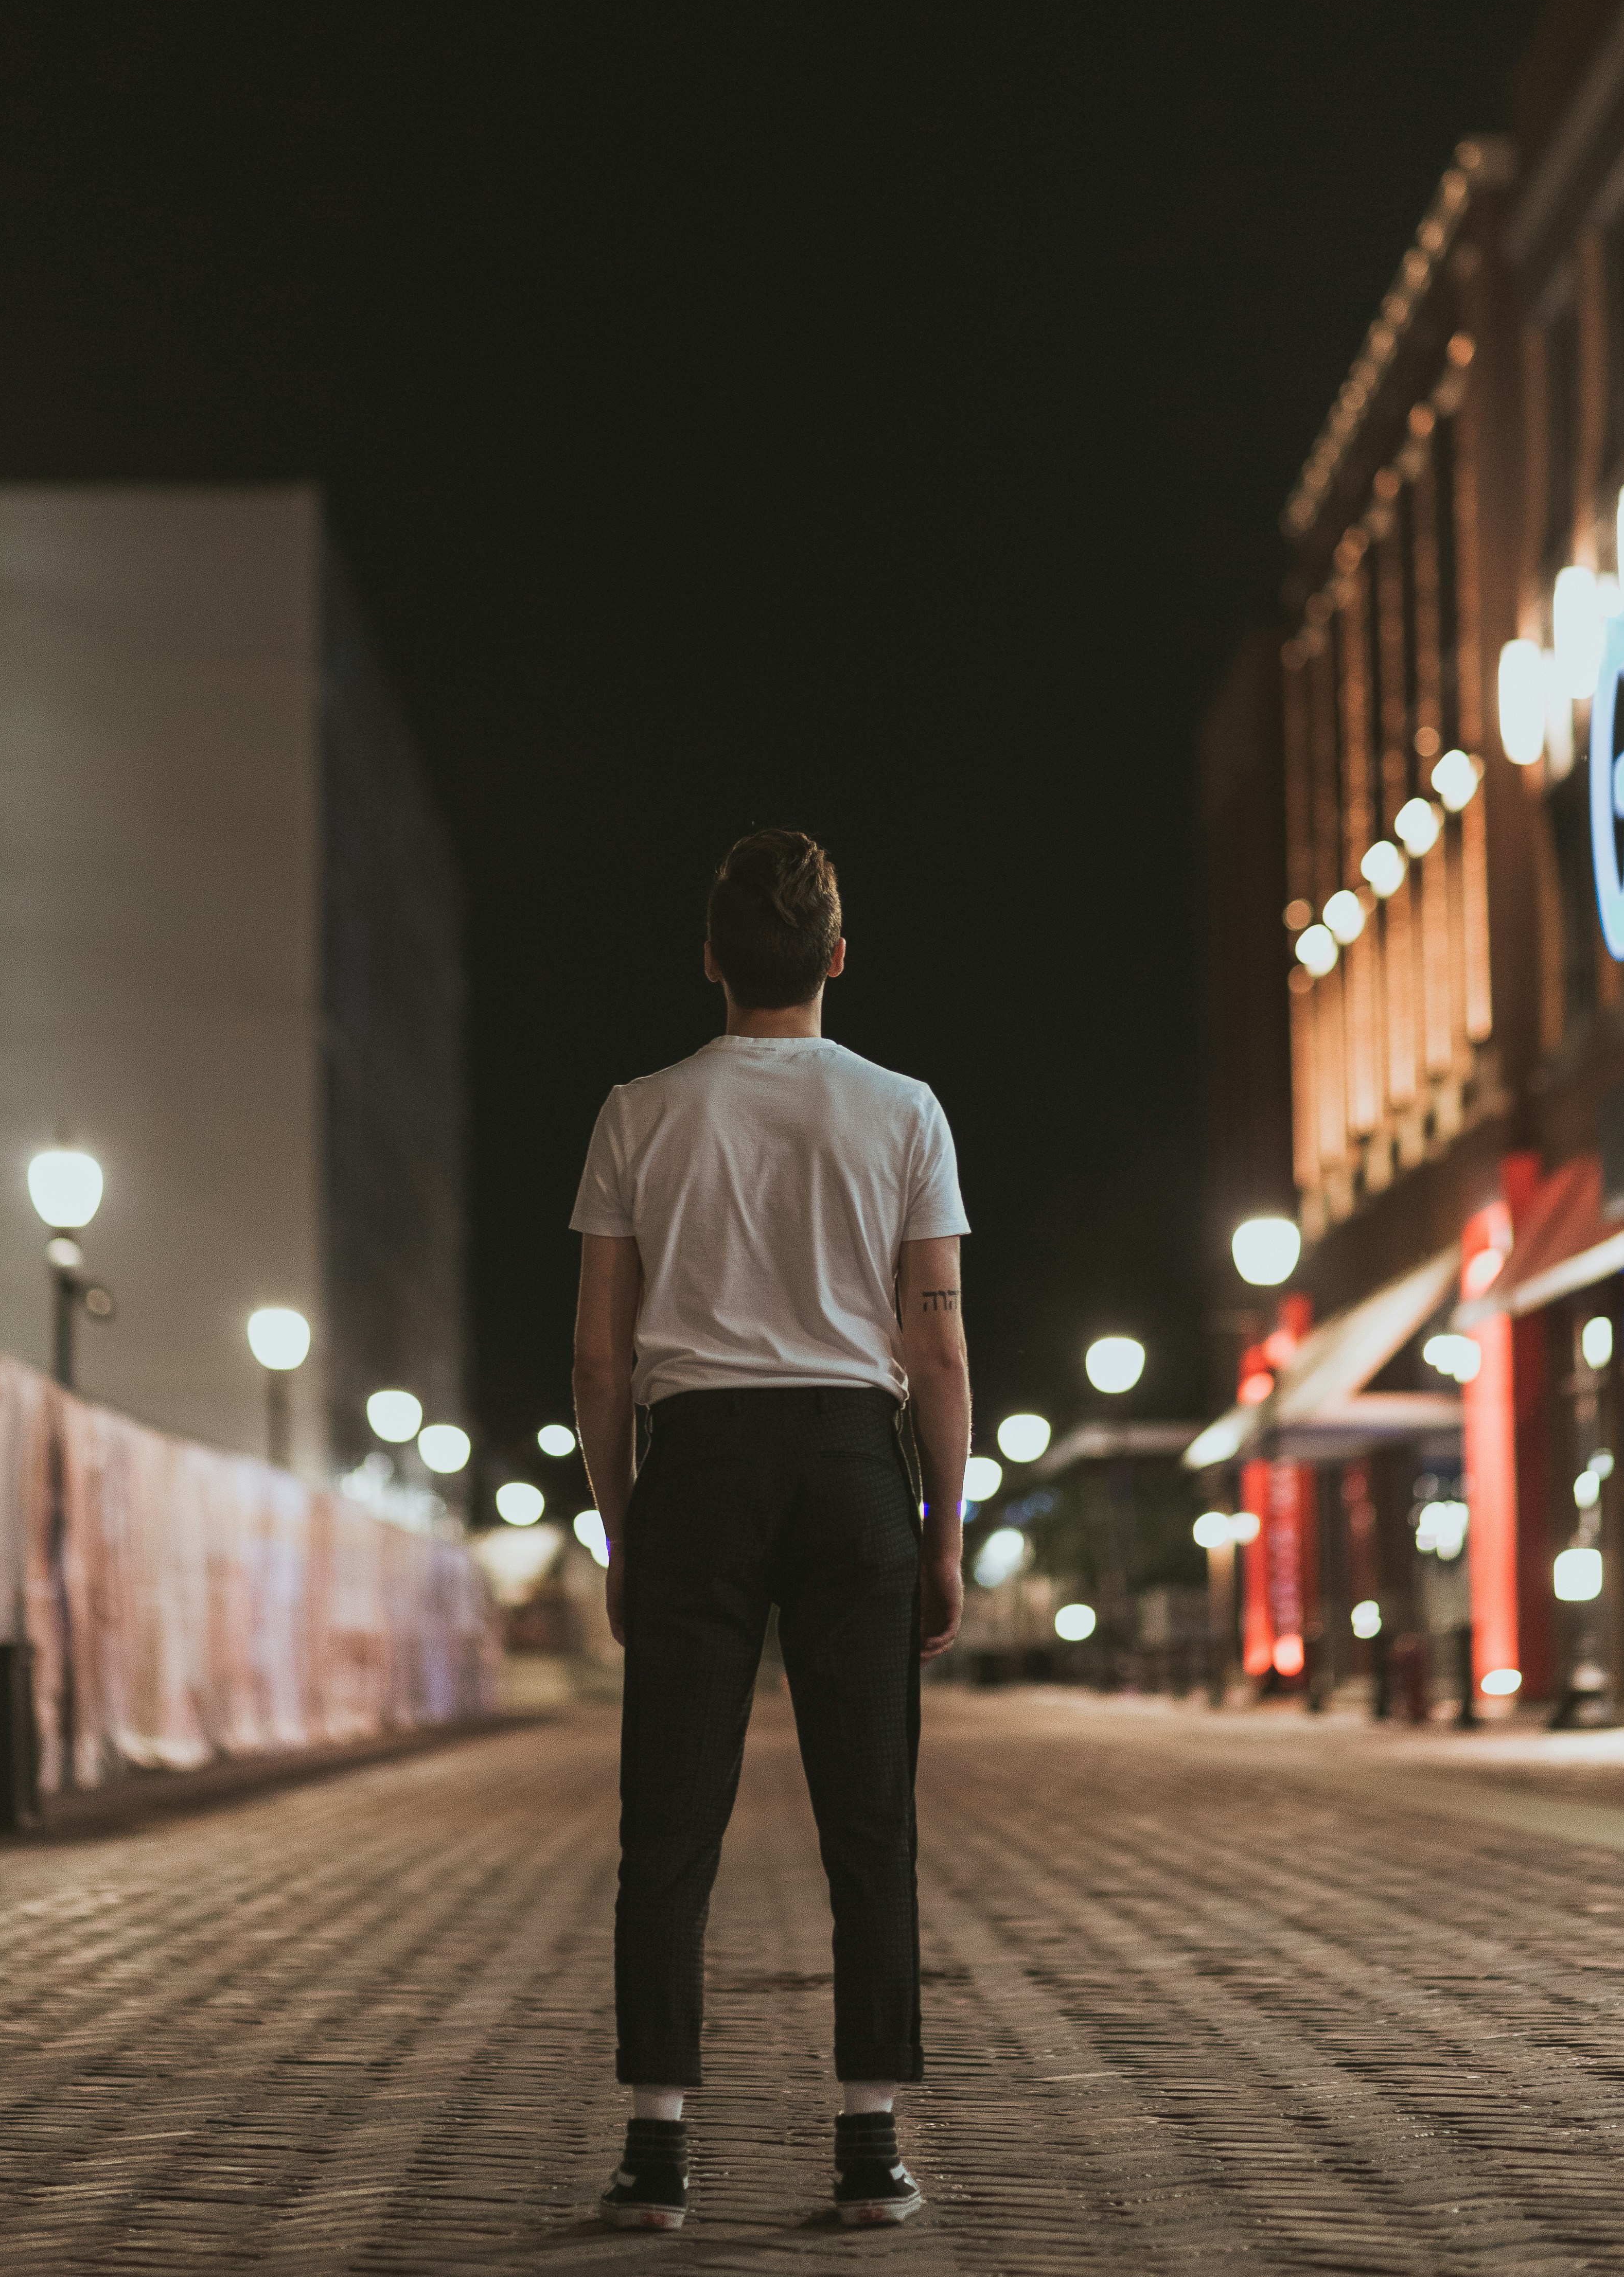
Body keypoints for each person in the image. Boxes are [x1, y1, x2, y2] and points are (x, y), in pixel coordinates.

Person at [570, 827, 970, 2231]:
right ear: (839, 958)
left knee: (668, 1821)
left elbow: (601, 1363)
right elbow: (938, 1345)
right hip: (854, 1461)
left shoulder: (642, 1111)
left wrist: (626, 1525)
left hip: (701, 1467)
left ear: (711, 960)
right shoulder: (905, 1112)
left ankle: (656, 2153)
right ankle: (871, 2148)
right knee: (871, 1819)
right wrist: (943, 1527)